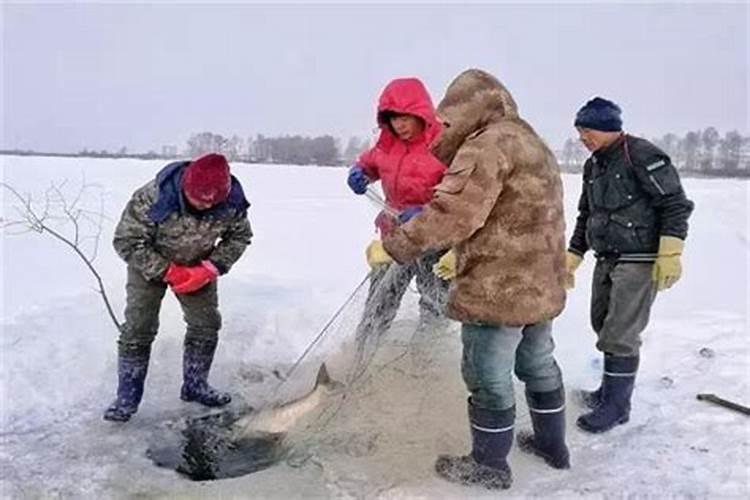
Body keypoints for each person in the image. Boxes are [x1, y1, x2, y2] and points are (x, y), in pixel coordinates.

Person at [382, 69, 569, 490]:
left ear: (466, 112)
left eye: (445, 121)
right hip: (541, 283)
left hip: (498, 288)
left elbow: (456, 215)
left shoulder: (486, 145)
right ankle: (552, 446)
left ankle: (489, 467)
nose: (441, 131)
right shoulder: (531, 141)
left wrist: (399, 243)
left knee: (487, 375)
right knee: (538, 363)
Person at [566, 97, 694, 433]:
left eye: (587, 129)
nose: (582, 137)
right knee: (602, 324)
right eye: (579, 130)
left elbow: (675, 204)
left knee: (621, 332)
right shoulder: (594, 165)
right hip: (606, 257)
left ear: (609, 128)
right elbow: (586, 213)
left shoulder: (641, 154)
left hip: (639, 257)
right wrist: (574, 252)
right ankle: (608, 391)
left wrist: (670, 251)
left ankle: (617, 407)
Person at [104, 153, 252, 422]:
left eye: (212, 203)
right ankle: (127, 398)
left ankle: (195, 386)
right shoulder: (153, 196)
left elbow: (240, 237)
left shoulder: (232, 203)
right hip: (148, 266)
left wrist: (209, 268)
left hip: (198, 267)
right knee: (138, 328)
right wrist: (168, 271)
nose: (205, 206)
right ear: (187, 186)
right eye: (199, 200)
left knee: (206, 324)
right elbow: (125, 241)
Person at [346, 77, 451, 342]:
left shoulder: (445, 143)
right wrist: (359, 173)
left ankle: (423, 368)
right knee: (379, 305)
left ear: (421, 113)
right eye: (392, 118)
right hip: (394, 238)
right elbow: (369, 163)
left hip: (434, 241)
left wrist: (425, 213)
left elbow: (459, 194)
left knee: (433, 308)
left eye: (405, 117)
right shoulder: (387, 144)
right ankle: (361, 361)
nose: (399, 124)